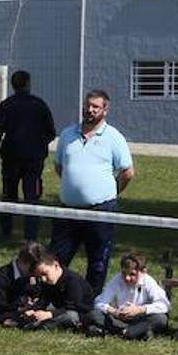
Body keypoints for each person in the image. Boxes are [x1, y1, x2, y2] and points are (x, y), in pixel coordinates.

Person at [51, 89, 135, 294]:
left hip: (101, 211)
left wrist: (111, 192)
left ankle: (91, 302)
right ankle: (54, 298)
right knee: (56, 259)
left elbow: (127, 172)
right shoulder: (67, 134)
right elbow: (60, 166)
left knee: (98, 262)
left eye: (95, 107)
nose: (90, 110)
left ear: (105, 110)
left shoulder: (114, 137)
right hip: (68, 211)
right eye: (87, 105)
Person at [0, 70, 56, 242]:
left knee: (8, 194)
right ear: (28, 84)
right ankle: (30, 235)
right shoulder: (39, 104)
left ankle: (6, 230)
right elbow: (51, 131)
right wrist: (39, 144)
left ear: (13, 85)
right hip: (34, 158)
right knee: (32, 196)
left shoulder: (6, 105)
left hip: (11, 156)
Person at [86, 252, 171, 341]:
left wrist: (139, 309)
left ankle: (125, 332)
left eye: (132, 274)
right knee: (94, 314)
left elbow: (164, 305)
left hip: (141, 319)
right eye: (124, 273)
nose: (127, 278)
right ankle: (134, 333)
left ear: (143, 272)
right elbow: (99, 302)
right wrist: (114, 311)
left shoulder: (148, 282)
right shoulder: (117, 279)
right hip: (119, 319)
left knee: (160, 319)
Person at [24, 249, 94, 331]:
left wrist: (50, 314)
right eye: (39, 277)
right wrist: (34, 309)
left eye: (45, 274)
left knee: (70, 316)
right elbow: (44, 300)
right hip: (60, 311)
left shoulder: (72, 280)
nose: (43, 279)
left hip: (80, 313)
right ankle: (32, 322)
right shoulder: (48, 282)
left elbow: (72, 306)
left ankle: (43, 326)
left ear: (56, 265)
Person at [0, 242, 42, 327]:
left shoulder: (34, 276)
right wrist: (19, 308)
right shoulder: (2, 275)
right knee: (5, 318)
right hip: (9, 311)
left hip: (31, 309)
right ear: (23, 262)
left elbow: (38, 293)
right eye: (33, 268)